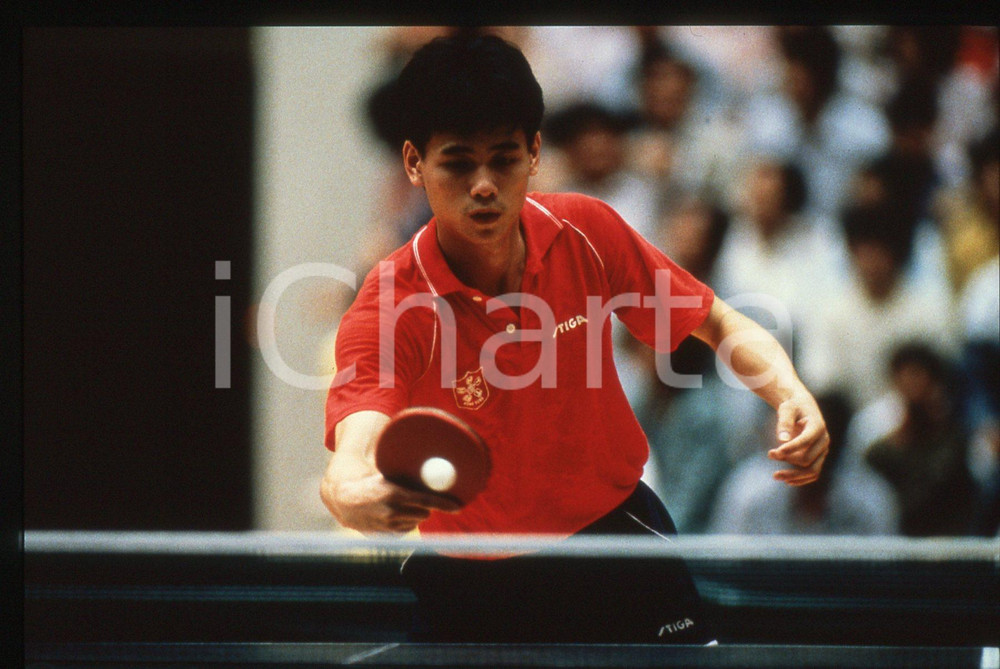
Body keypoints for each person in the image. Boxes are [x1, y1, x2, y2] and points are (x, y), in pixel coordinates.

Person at [319, 34, 829, 644]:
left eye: (503, 158)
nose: (483, 185)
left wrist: (789, 390)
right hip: (470, 581)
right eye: (457, 161)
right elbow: (356, 442)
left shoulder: (586, 231)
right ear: (413, 163)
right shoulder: (390, 306)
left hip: (616, 542)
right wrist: (351, 493)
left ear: (534, 153)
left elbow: (717, 321)